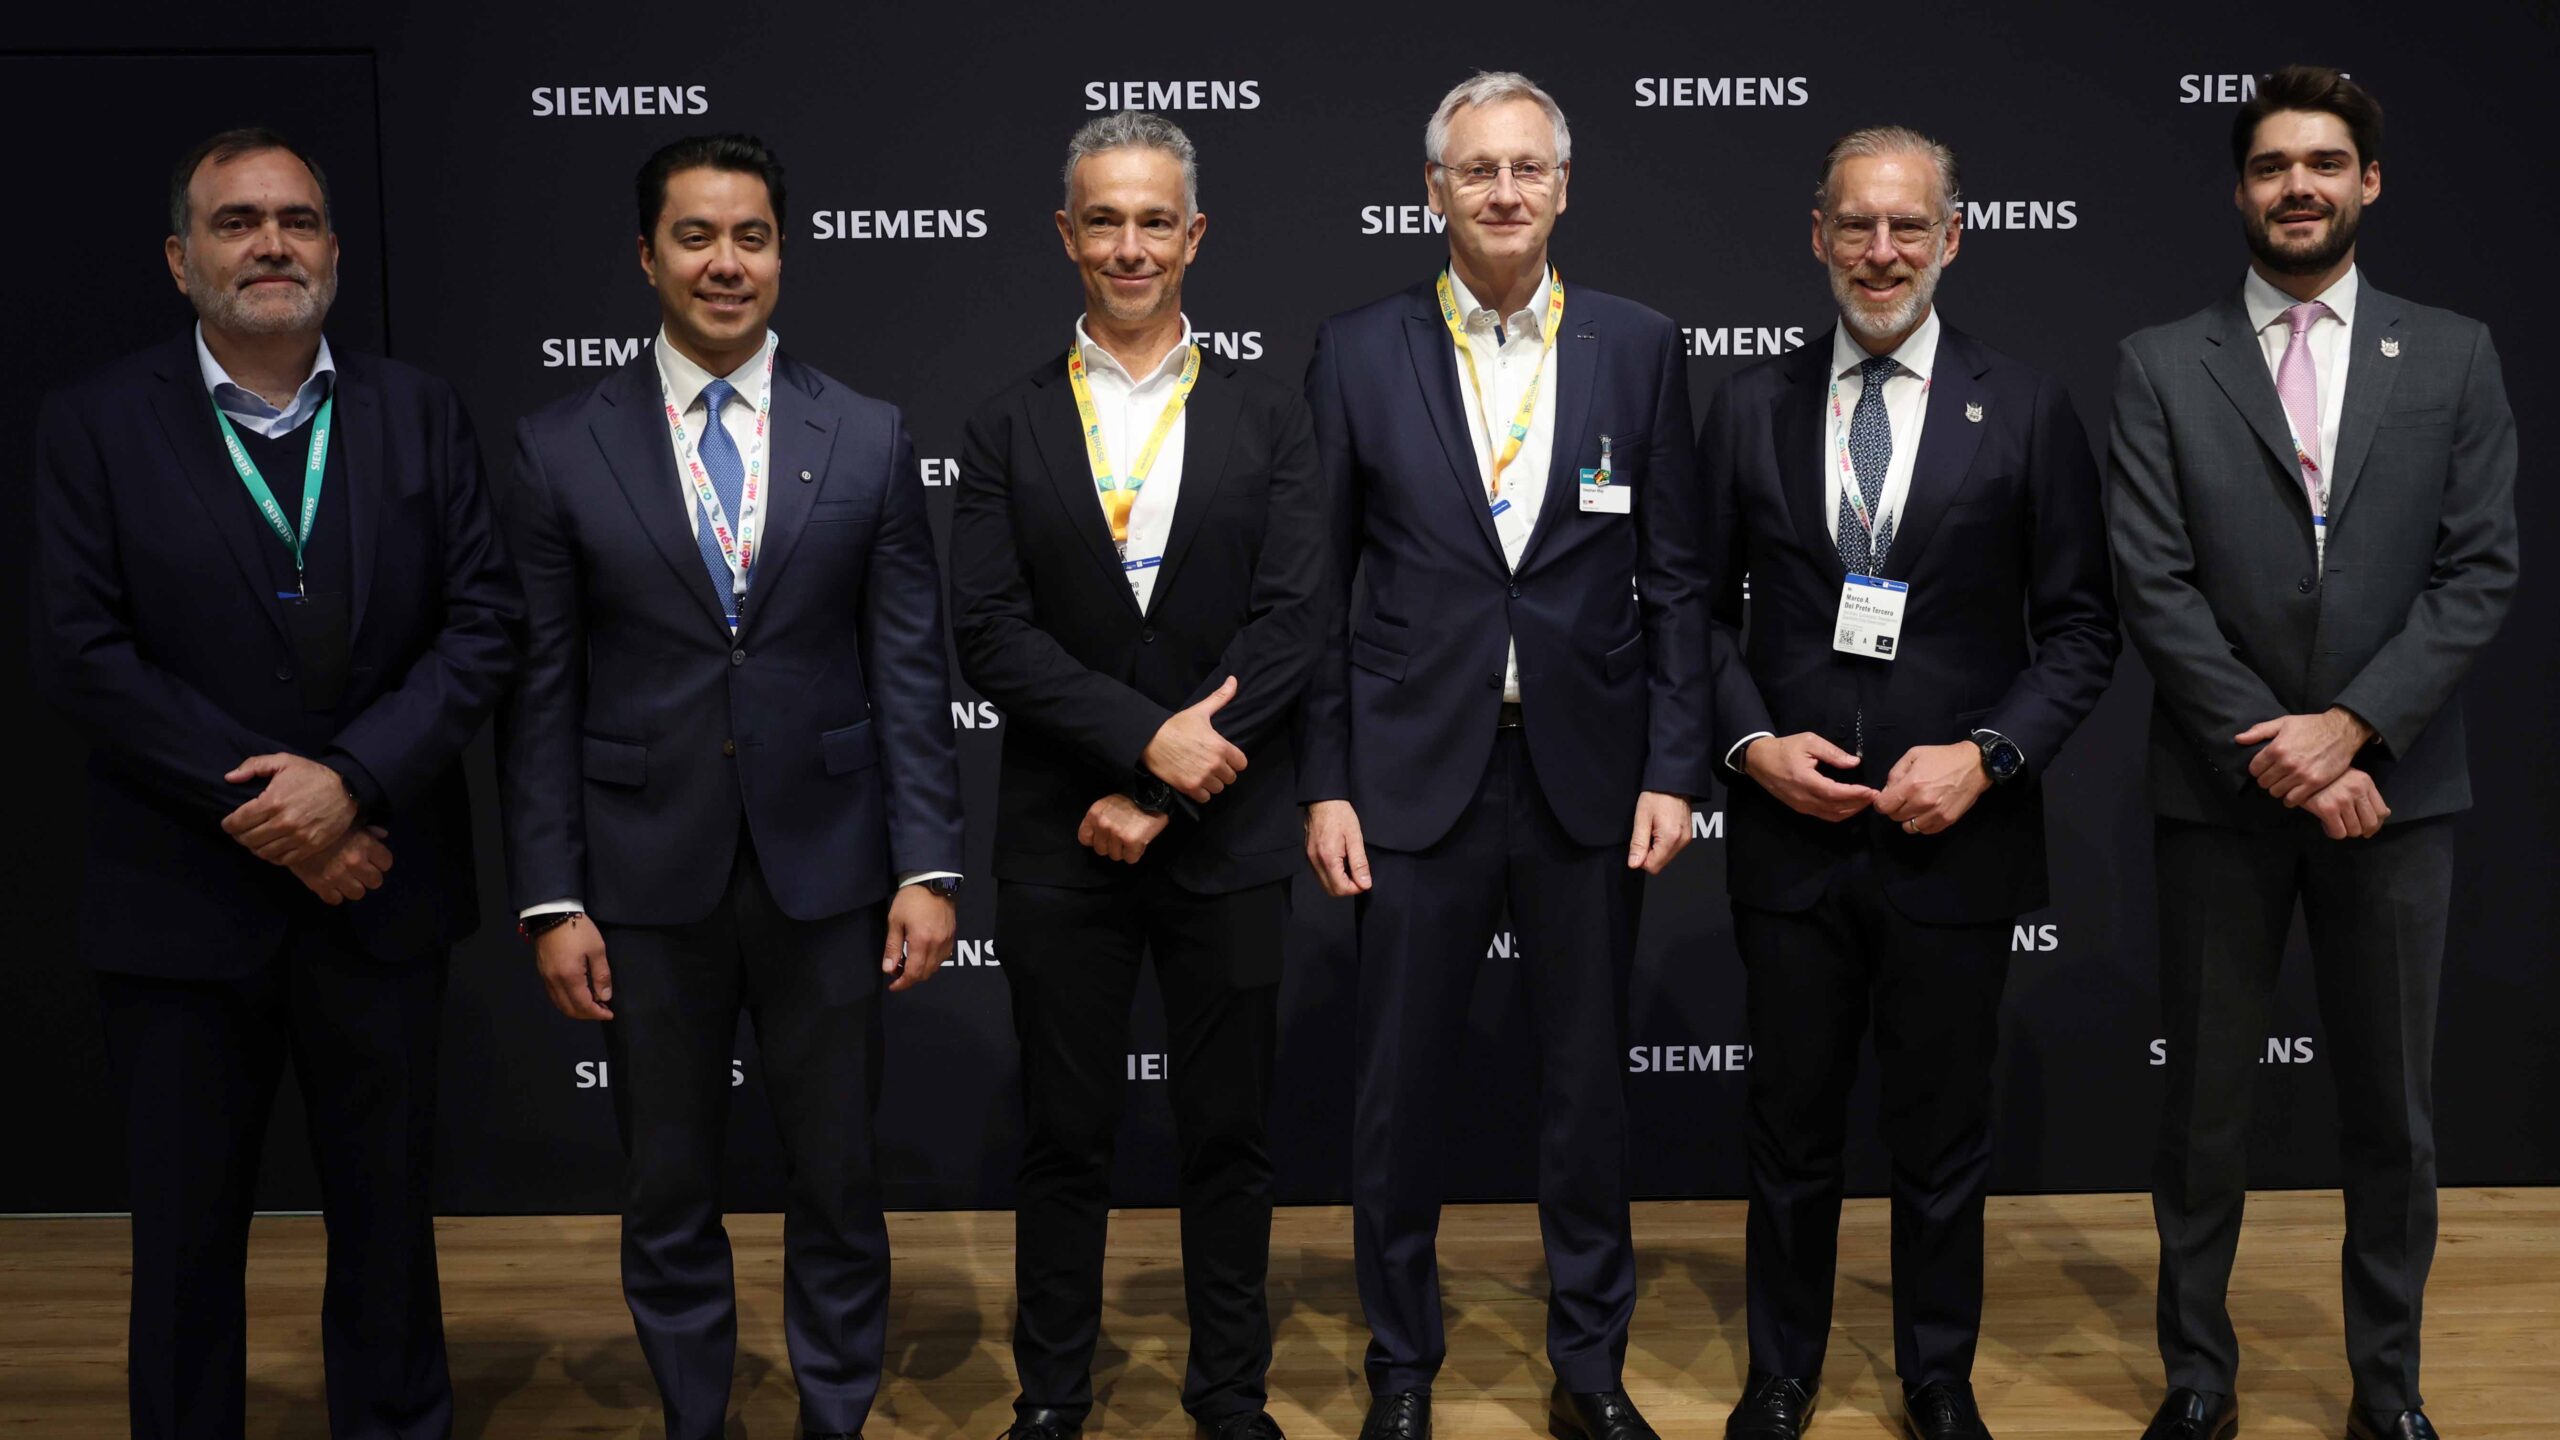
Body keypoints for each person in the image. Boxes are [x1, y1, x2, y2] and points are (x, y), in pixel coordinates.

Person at [28, 127, 521, 1439]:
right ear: (180, 258)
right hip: (182, 906)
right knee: (184, 1241)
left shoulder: (419, 410)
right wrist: (287, 819)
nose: (271, 245)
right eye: (237, 222)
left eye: (297, 221)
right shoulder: (95, 422)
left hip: (381, 894)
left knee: (387, 1228)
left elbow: (482, 624)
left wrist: (348, 783)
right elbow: (80, 652)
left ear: (334, 252)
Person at [496, 133, 965, 1440]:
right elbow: (540, 693)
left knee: (839, 1180)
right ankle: (693, 1417)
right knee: (665, 1187)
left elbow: (909, 670)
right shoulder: (558, 447)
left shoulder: (866, 434)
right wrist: (550, 897)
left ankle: (834, 1416)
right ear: (647, 256)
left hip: (831, 870)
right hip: (643, 879)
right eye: (695, 237)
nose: (725, 263)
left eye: (750, 237)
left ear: (781, 254)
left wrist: (929, 867)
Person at [1299, 70, 1712, 1440]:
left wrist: (1673, 765)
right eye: (1477, 169)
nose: (1504, 191)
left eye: (1528, 167)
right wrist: (1326, 780)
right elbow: (1316, 594)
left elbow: (1678, 580)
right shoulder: (1358, 350)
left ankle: (1589, 1370)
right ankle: (1400, 1369)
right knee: (1396, 1099)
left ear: (1565, 187)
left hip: (1588, 772)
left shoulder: (1639, 345)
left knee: (1587, 1094)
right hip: (1412, 773)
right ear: (1434, 192)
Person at [2107, 66, 2516, 1440]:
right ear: (2240, 188)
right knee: (2203, 1115)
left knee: (2393, 1117)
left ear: (2369, 184)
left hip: (2395, 794)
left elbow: (2478, 572)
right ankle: (2198, 1380)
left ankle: (2388, 1390)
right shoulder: (2160, 362)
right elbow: (2153, 583)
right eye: (2274, 164)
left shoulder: (2453, 354)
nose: (2300, 186)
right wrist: (2283, 753)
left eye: (2326, 162)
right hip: (2220, 795)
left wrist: (2353, 732)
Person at [1698, 125, 2119, 1440]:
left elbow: (2081, 630)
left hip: (1954, 843)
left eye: (1908, 227)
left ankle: (1938, 1376)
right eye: (1857, 225)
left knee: (1942, 1138)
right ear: (1818, 235)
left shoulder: (2028, 406)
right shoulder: (1749, 405)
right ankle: (1781, 1372)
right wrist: (1750, 747)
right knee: (1788, 1131)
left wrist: (1988, 757)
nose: (1881, 253)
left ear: (1952, 239)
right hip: (1790, 839)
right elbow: (1690, 616)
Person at [948, 110, 1327, 1440]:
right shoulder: (1004, 424)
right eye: (1103, 220)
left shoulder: (1272, 416)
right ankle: (1053, 1396)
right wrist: (1138, 741)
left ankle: (1229, 1393)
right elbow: (989, 630)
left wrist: (1164, 787)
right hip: (1061, 837)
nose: (1129, 245)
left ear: (1195, 235)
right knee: (1065, 1135)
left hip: (1228, 835)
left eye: (1154, 220)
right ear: (1066, 235)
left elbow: (1295, 621)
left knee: (1231, 1136)